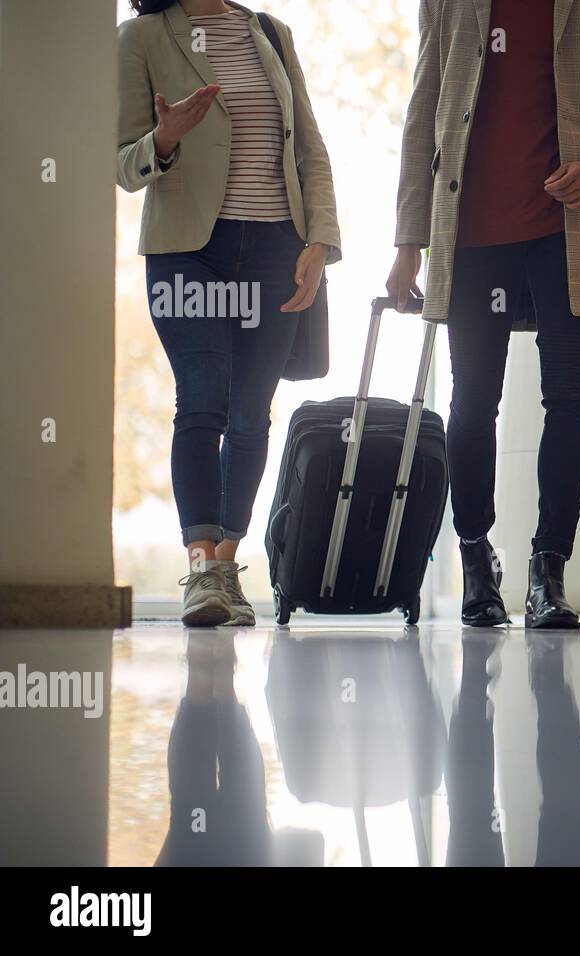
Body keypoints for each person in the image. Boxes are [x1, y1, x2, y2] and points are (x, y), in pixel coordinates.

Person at [387, 0, 580, 629]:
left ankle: (548, 573)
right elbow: (422, 114)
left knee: (568, 399)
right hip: (472, 233)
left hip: (564, 235)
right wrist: (407, 247)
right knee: (474, 402)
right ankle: (477, 563)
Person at [118, 0, 341, 626]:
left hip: (276, 246)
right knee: (203, 397)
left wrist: (319, 242)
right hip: (191, 251)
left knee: (250, 413)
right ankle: (199, 571)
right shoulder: (139, 38)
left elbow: (310, 149)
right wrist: (162, 139)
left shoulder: (269, 32)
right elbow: (120, 160)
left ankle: (225, 566)